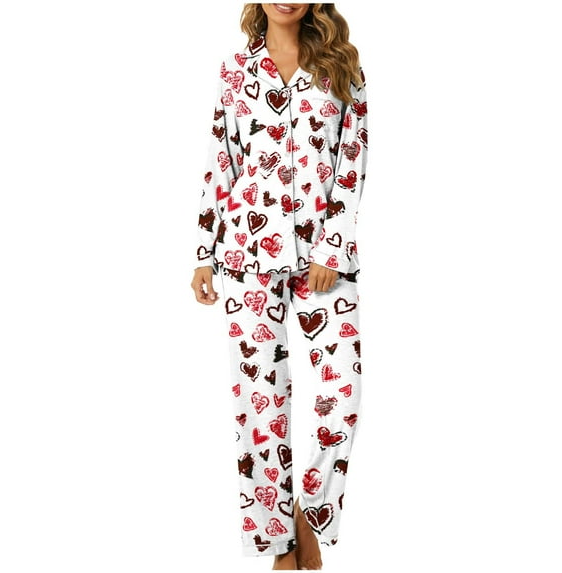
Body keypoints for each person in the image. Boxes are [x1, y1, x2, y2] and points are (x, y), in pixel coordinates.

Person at [191, 3, 368, 569]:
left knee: (342, 393)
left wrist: (332, 246)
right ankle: (278, 545)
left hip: (324, 261)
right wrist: (205, 252)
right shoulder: (235, 69)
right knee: (259, 403)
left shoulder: (342, 66)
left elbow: (353, 161)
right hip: (247, 254)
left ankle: (309, 513)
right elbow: (223, 159)